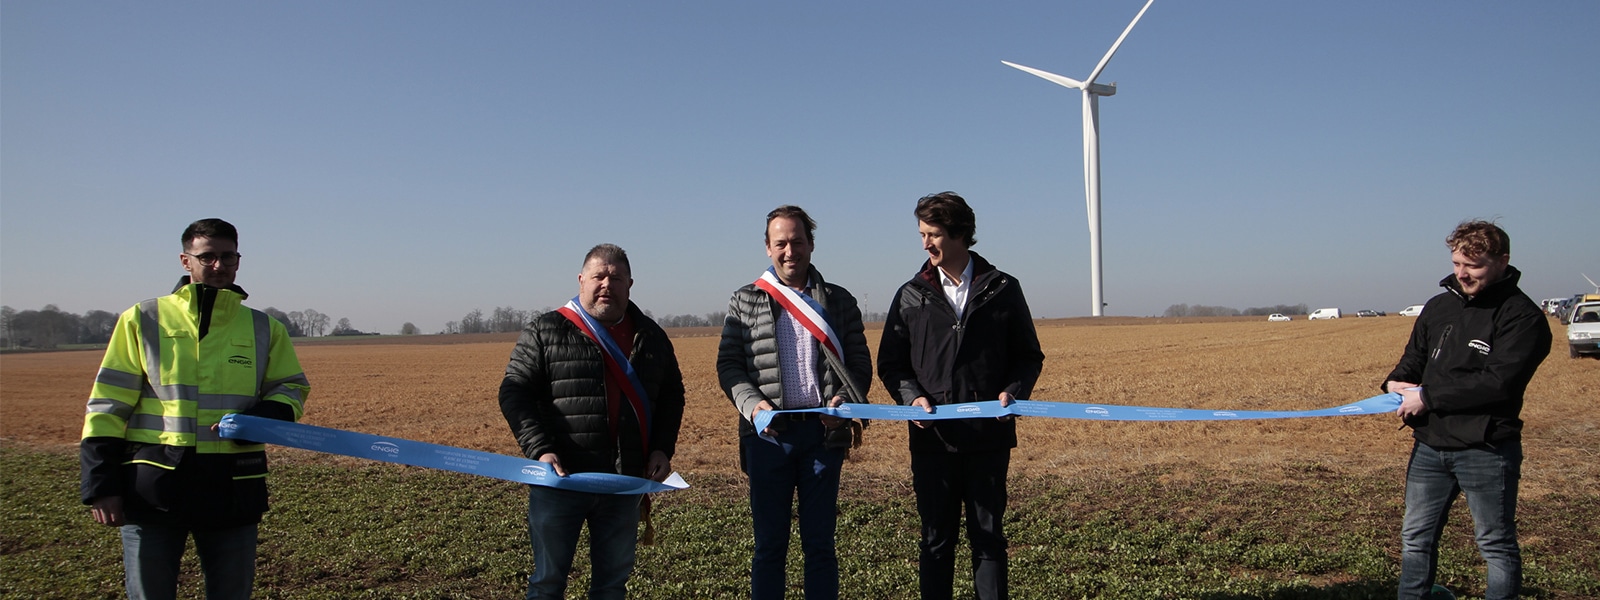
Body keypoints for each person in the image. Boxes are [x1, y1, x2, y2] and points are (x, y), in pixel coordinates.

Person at [80, 218, 311, 600]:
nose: (219, 265)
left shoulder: (265, 328)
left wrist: (267, 419)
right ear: (185, 261)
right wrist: (101, 485)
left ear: (239, 259)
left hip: (233, 485)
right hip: (152, 487)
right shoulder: (142, 319)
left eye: (228, 256)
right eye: (208, 257)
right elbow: (108, 404)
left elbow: (291, 387)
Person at [877, 192, 1044, 600]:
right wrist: (911, 398)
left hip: (989, 438)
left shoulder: (1003, 289)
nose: (925, 244)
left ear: (960, 234)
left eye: (933, 234)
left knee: (988, 539)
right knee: (936, 541)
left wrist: (1013, 393)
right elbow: (892, 364)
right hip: (933, 442)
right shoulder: (910, 295)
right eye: (922, 234)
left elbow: (1028, 356)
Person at [499, 243, 687, 600]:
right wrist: (540, 450)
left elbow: (671, 397)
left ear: (630, 284)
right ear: (581, 280)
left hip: (623, 482)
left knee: (611, 587)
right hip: (560, 481)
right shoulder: (546, 329)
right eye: (599, 276)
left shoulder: (651, 336)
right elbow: (514, 392)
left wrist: (663, 447)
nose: (607, 284)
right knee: (547, 583)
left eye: (616, 278)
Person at [1383, 220, 1551, 600]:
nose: (1461, 273)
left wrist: (1427, 398)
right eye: (1457, 263)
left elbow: (1497, 383)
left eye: (1472, 265)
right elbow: (1414, 360)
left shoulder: (1522, 318)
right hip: (1430, 446)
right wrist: (1395, 383)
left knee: (1495, 544)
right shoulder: (1439, 307)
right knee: (1415, 538)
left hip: (1487, 448)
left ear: (1502, 261)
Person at [717, 205, 873, 599]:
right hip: (769, 437)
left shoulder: (839, 301)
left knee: (820, 545)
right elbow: (730, 365)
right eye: (781, 243)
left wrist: (844, 401)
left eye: (797, 242)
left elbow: (858, 362)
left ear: (811, 244)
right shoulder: (745, 300)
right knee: (769, 547)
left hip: (824, 436)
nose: (790, 251)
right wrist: (753, 406)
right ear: (768, 248)